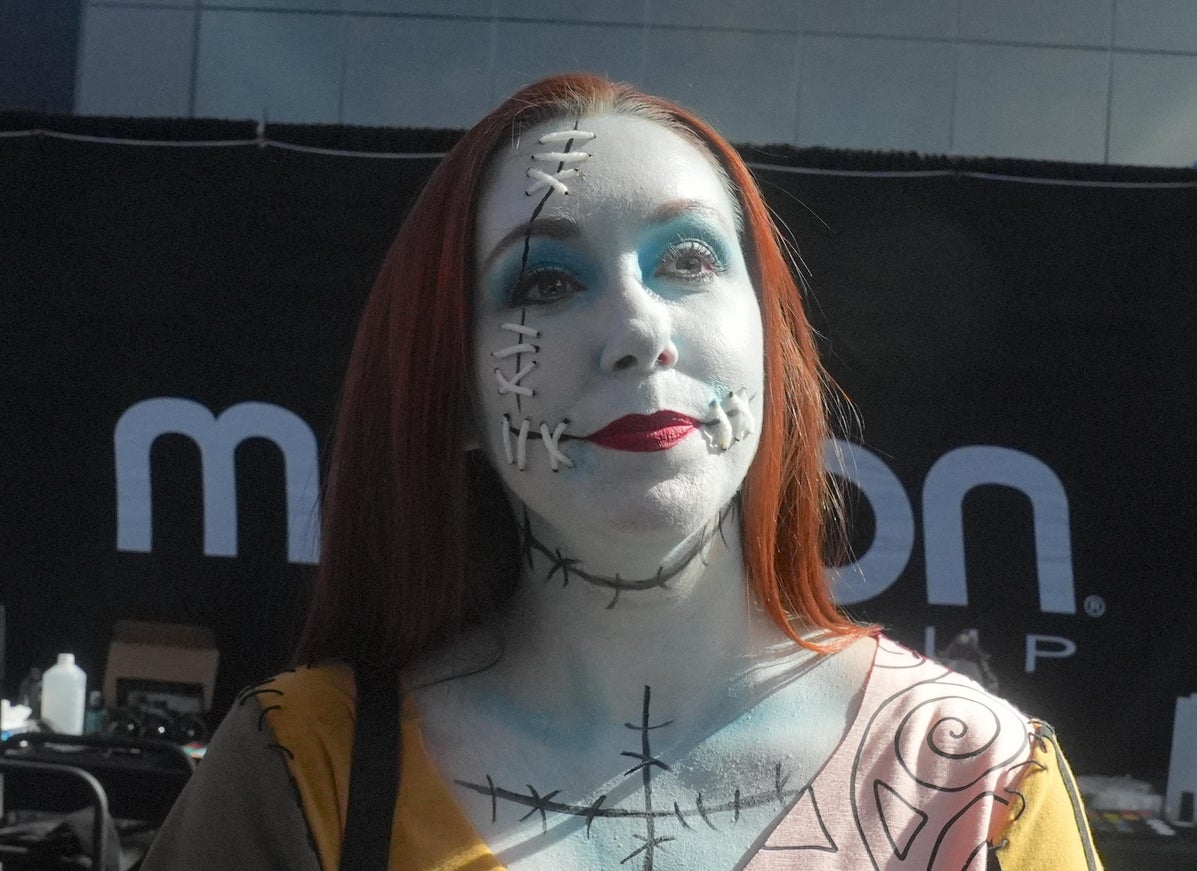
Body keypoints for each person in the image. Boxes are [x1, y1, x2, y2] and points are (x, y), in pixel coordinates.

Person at [145, 74, 1101, 870]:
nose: (641, 331)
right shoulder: (308, 770)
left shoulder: (978, 786)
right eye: (546, 282)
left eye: (688, 259)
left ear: (769, 341)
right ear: (456, 395)